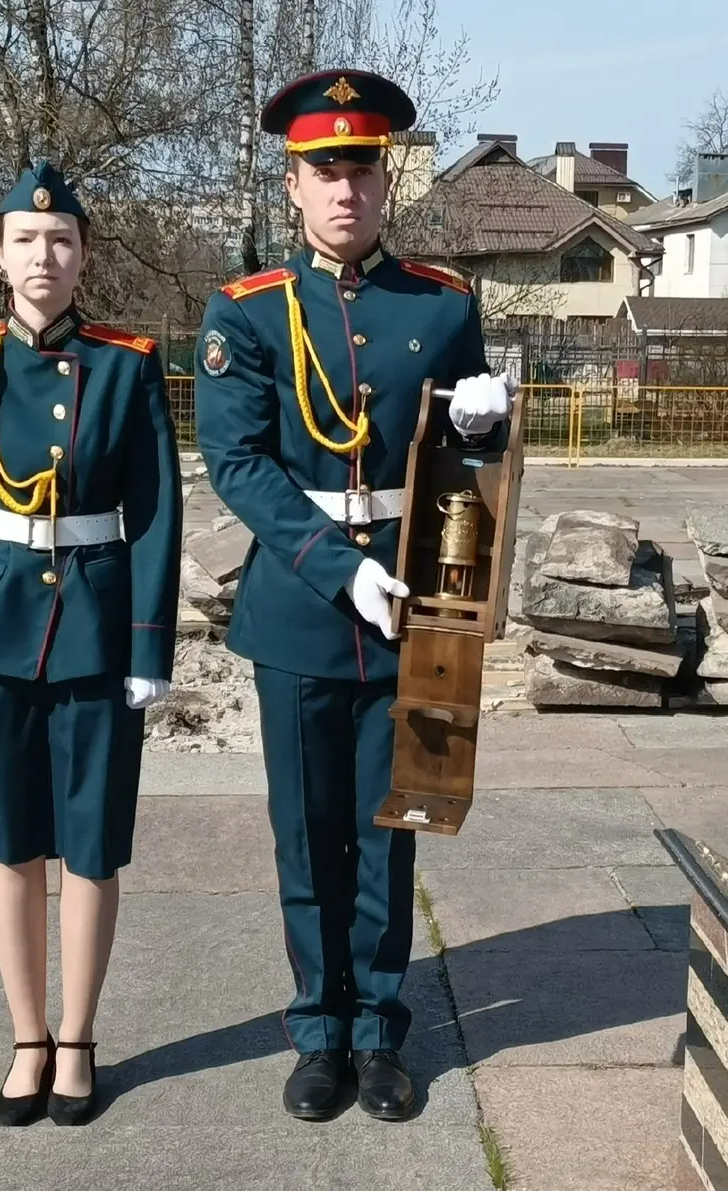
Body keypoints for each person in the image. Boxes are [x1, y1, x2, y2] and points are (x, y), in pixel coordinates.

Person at [193, 69, 513, 1123]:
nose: (345, 191)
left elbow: (472, 458)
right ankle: (316, 1029)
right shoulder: (244, 312)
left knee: (393, 823)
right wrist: (340, 565)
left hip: (416, 605)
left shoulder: (443, 303)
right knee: (307, 831)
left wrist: (486, 429)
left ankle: (379, 1027)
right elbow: (238, 463)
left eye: (361, 171)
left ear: (387, 181)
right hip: (301, 608)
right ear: (293, 185)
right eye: (324, 172)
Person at [0, 161, 182, 1128]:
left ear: (83, 256)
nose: (44, 255)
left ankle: (78, 1036)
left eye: (61, 240)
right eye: (26, 240)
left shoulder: (126, 361)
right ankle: (26, 1036)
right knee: (10, 847)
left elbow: (152, 512)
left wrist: (152, 644)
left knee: (92, 847)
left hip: (98, 626)